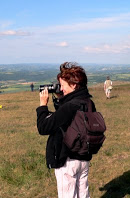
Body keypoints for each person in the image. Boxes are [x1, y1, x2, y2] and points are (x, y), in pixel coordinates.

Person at [37, 62, 94, 198]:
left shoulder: (70, 107)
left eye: (63, 85)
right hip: (83, 157)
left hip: (67, 160)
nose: (61, 89)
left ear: (73, 85)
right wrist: (61, 98)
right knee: (83, 195)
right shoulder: (87, 101)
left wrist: (42, 106)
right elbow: (66, 119)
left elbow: (43, 127)